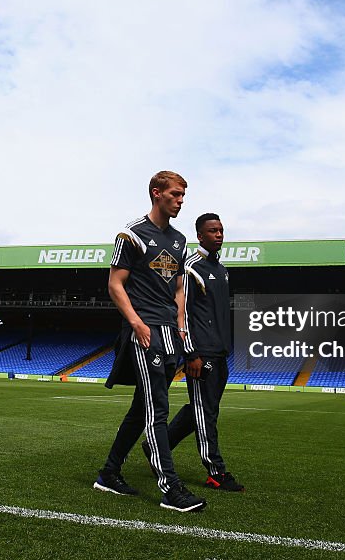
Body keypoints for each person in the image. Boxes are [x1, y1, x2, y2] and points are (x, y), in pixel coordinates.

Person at [94, 170, 206, 513]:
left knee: (142, 407)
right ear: (156, 193)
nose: (180, 201)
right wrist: (137, 323)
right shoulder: (131, 235)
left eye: (183, 196)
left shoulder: (179, 240)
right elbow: (115, 285)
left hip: (170, 333)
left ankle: (109, 473)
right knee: (158, 407)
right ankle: (170, 488)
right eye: (175, 194)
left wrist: (182, 328)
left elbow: (176, 290)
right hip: (144, 331)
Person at [163, 213, 243, 492]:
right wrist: (191, 354)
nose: (219, 234)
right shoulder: (190, 268)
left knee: (202, 409)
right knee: (205, 412)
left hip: (220, 353)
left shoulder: (222, 269)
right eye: (213, 231)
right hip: (200, 355)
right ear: (200, 235)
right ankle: (216, 471)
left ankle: (156, 447)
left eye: (221, 230)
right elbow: (181, 312)